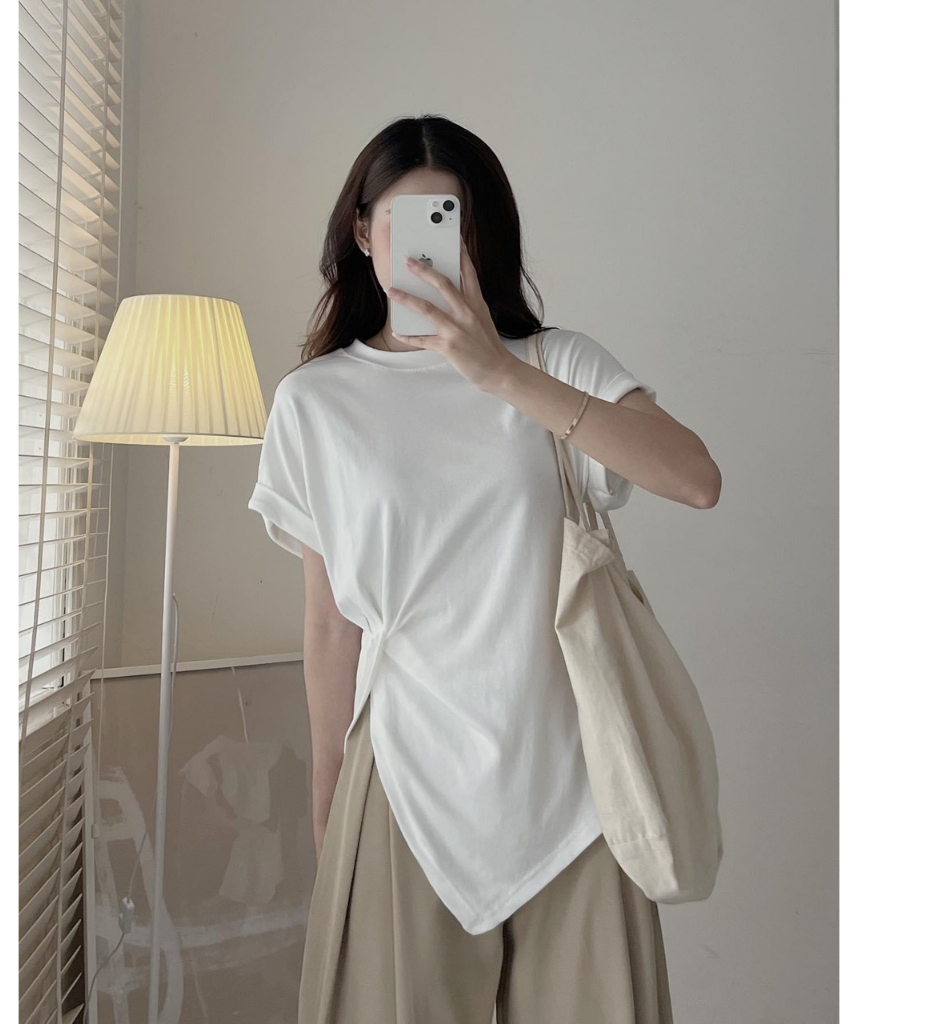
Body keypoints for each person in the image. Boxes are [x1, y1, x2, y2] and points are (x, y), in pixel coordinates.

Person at [248, 114, 721, 1024]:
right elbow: (330, 620)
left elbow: (695, 479)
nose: (430, 247)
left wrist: (499, 374)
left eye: (450, 221)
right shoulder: (314, 402)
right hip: (402, 778)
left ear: (479, 234)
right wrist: (327, 794)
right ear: (362, 232)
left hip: (576, 783)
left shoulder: (553, 363)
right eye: (404, 220)